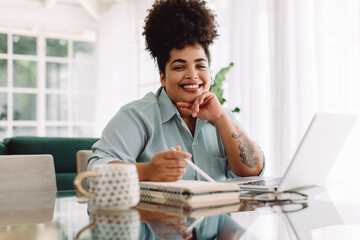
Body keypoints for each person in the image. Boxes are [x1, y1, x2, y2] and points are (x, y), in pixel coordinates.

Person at [88, 0, 265, 181]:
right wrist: (146, 171)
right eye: (179, 67)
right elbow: (92, 174)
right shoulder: (138, 117)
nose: (192, 75)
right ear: (162, 77)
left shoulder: (221, 116)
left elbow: (254, 170)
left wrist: (220, 118)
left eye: (200, 66)